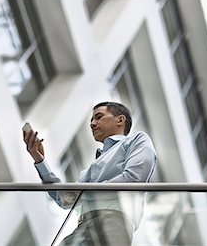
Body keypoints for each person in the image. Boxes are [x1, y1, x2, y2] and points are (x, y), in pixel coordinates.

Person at [23, 102, 157, 245]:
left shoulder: (137, 140)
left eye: (99, 117)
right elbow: (66, 199)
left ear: (120, 120)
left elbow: (133, 180)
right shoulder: (90, 168)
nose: (92, 124)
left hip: (113, 221)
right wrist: (40, 160)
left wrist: (84, 192)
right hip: (82, 227)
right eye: (91, 120)